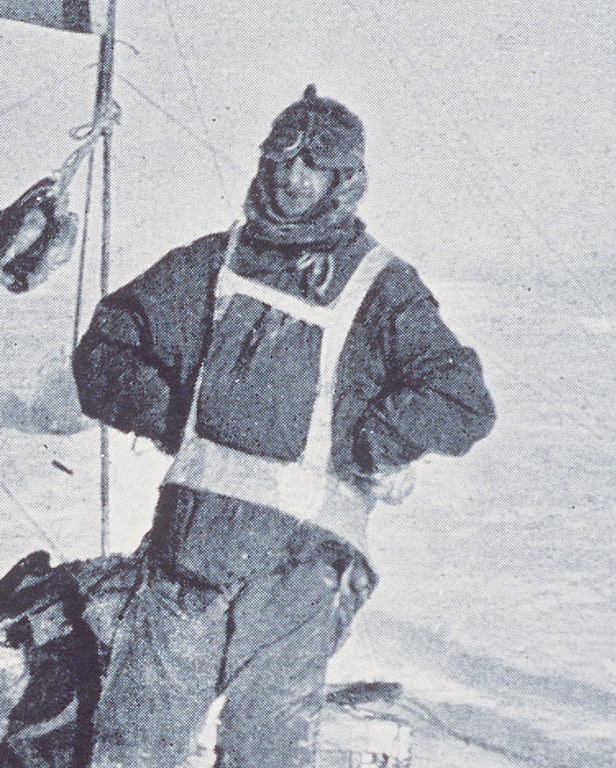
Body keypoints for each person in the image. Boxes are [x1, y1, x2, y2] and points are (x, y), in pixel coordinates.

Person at [72, 86, 495, 768]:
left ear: (343, 178)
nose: (294, 179)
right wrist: (177, 412)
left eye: (314, 165)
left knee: (265, 751)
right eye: (282, 160)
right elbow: (103, 352)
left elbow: (461, 398)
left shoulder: (382, 287)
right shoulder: (212, 263)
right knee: (135, 744)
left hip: (301, 569)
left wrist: (367, 442)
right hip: (192, 548)